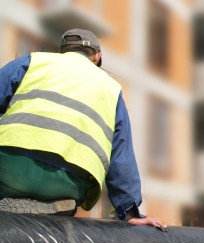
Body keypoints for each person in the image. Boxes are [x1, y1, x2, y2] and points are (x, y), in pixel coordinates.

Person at [0, 29, 165, 229]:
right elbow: (121, 155)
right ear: (97, 56)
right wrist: (129, 212)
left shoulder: (33, 62)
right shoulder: (111, 90)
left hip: (10, 168)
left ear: (63, 51)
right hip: (69, 182)